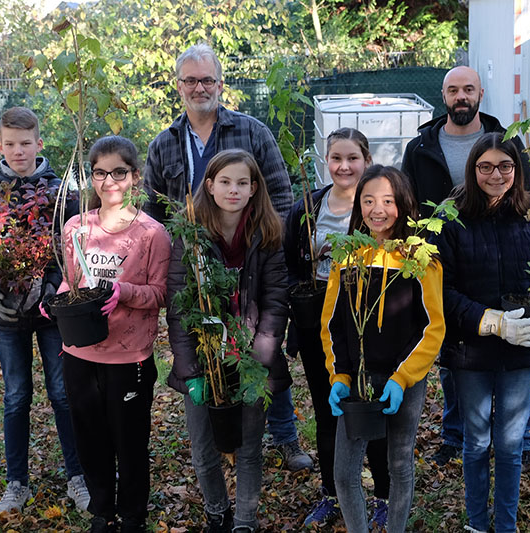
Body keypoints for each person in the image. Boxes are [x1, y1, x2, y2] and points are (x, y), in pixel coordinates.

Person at [143, 43, 309, 473]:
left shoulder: (252, 132)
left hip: (251, 258)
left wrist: (268, 243)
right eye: (191, 80)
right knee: (209, 347)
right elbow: (153, 213)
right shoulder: (164, 144)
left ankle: (285, 435)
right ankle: (219, 426)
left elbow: (282, 192)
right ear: (178, 86)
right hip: (198, 270)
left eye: (208, 80)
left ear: (220, 83)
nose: (200, 88)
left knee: (262, 345)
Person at [401, 65, 530, 468]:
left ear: (480, 94)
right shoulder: (421, 146)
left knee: (516, 350)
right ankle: (455, 435)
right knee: (454, 349)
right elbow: (409, 204)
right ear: (444, 97)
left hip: (502, 256)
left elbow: (528, 194)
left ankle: (520, 439)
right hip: (444, 262)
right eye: (453, 90)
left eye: (468, 90)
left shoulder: (505, 141)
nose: (461, 97)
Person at [432, 132, 530, 533]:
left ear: (517, 170)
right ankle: (477, 523)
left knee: (509, 445)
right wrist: (492, 321)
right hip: (470, 352)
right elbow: (444, 292)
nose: (496, 174)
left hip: (522, 352)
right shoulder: (453, 224)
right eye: (485, 166)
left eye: (505, 166)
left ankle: (505, 525)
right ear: (473, 170)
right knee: (476, 442)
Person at [0, 106, 89, 518]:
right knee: (17, 396)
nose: (18, 151)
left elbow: (70, 247)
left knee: (62, 393)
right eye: (10, 144)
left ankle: (78, 477)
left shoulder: (61, 194)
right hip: (7, 318)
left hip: (52, 313)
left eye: (25, 143)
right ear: (0, 145)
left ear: (39, 143)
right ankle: (16, 483)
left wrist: (53, 288)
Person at [166, 149, 290, 533]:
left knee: (250, 446)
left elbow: (275, 302)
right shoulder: (190, 235)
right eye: (225, 182)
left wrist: (259, 362)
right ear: (210, 186)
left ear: (254, 188)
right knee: (204, 446)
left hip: (251, 357)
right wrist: (190, 369)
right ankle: (217, 512)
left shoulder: (267, 235)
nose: (233, 190)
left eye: (242, 183)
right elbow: (178, 304)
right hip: (205, 358)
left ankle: (245, 520)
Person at [321, 166, 445, 533]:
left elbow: (433, 327)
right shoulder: (347, 257)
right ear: (358, 206)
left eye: (388, 201)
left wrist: (402, 377)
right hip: (357, 380)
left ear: (404, 204)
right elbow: (332, 324)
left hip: (402, 380)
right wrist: (339, 375)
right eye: (369, 200)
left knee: (400, 461)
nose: (379, 209)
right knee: (344, 472)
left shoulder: (421, 258)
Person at [284, 128, 390, 528]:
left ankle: (382, 495)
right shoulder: (308, 207)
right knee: (329, 411)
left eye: (353, 158)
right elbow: (293, 265)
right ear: (325, 162)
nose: (344, 166)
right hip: (320, 327)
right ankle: (331, 492)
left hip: (368, 323)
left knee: (371, 408)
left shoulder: (378, 207)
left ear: (366, 159)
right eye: (336, 158)